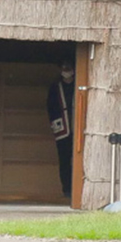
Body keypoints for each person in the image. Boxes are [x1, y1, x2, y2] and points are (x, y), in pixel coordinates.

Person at [46, 60, 75, 202]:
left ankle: (77, 188)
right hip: (62, 128)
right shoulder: (55, 87)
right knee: (64, 160)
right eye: (64, 68)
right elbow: (50, 107)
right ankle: (67, 189)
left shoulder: (79, 84)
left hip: (78, 127)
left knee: (77, 160)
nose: (67, 71)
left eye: (68, 68)